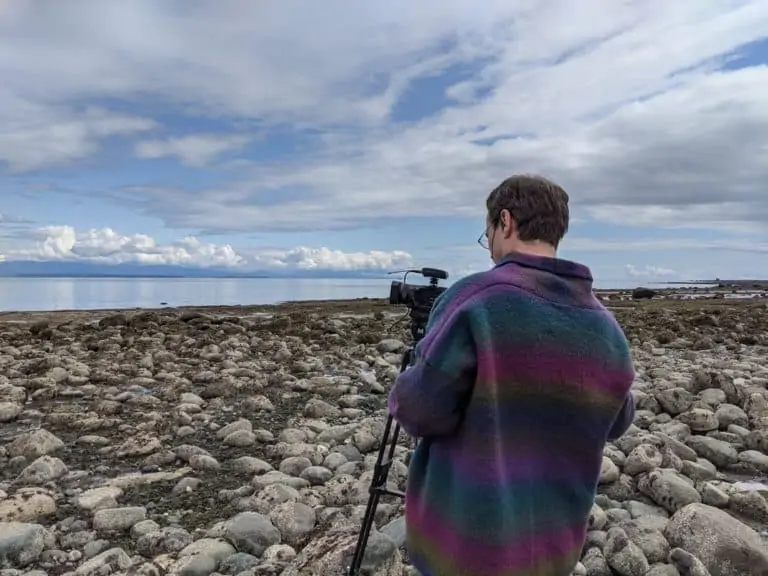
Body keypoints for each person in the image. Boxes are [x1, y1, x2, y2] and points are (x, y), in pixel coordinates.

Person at [388, 174, 636, 576]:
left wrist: (415, 368)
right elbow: (618, 418)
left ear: (505, 221)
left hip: (465, 546)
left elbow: (418, 410)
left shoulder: (477, 300)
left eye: (488, 235)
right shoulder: (605, 325)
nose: (490, 251)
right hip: (554, 545)